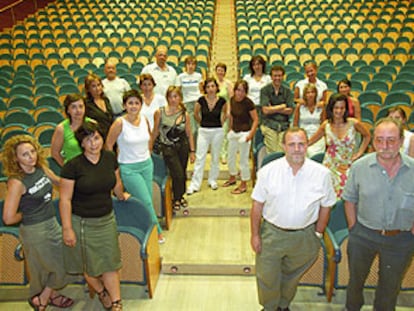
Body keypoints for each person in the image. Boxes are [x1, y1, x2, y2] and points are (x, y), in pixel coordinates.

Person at [250, 127, 336, 311]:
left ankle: (283, 305)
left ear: (307, 145)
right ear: (283, 146)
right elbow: (257, 205)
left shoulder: (322, 174)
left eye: (301, 144)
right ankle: (270, 307)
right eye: (292, 144)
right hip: (272, 234)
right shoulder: (268, 171)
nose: (297, 149)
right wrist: (255, 235)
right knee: (267, 276)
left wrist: (318, 233)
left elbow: (326, 205)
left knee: (292, 276)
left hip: (304, 236)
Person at [342, 118, 414, 311]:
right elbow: (349, 199)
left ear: (401, 141)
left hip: (401, 239)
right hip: (363, 235)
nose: (385, 146)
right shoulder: (359, 167)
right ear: (373, 141)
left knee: (390, 287)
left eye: (391, 140)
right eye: (379, 140)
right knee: (355, 281)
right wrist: (354, 228)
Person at [59, 121, 129, 311]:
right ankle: (101, 292)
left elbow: (116, 181)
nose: (93, 143)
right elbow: (65, 199)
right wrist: (67, 229)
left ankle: (116, 302)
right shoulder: (72, 166)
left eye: (96, 138)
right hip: (81, 223)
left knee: (110, 263)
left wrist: (122, 195)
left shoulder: (109, 157)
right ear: (81, 144)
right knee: (87, 266)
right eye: (88, 140)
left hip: (106, 219)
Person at [2, 135, 74, 311]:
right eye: (25, 154)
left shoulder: (40, 167)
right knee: (52, 265)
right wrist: (26, 213)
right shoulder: (17, 182)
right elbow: (8, 218)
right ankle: (43, 298)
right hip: (34, 229)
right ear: (15, 158)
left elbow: (57, 181)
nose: (31, 157)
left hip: (51, 222)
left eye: (32, 151)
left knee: (60, 261)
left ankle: (47, 296)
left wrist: (79, 181)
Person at [105, 89, 165, 243]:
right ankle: (156, 232)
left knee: (148, 200)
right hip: (129, 168)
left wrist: (148, 153)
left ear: (141, 105)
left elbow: (149, 138)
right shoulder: (119, 123)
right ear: (125, 105)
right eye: (130, 103)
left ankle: (145, 227)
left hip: (146, 164)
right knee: (145, 200)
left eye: (137, 103)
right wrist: (114, 167)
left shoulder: (144, 119)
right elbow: (108, 145)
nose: (133, 106)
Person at [309, 93, 371, 198]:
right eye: (336, 108)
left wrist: (359, 153)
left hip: (347, 165)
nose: (339, 111)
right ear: (331, 108)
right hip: (330, 166)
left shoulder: (353, 123)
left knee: (347, 197)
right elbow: (310, 142)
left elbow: (367, 136)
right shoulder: (326, 125)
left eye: (342, 108)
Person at [152, 86, 195, 211]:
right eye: (170, 96)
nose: (173, 99)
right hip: (168, 148)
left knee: (182, 172)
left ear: (180, 98)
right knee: (178, 174)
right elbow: (155, 132)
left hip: (183, 147)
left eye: (176, 96)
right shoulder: (160, 112)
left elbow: (189, 133)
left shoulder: (184, 114)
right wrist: (149, 147)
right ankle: (176, 198)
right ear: (167, 98)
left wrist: (192, 151)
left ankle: (180, 196)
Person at [186, 77, 227, 195]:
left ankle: (212, 179)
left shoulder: (222, 101)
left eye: (213, 86)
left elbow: (225, 114)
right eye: (208, 87)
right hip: (203, 131)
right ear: (205, 88)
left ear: (216, 87)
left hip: (217, 131)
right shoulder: (201, 100)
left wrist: (220, 124)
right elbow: (195, 114)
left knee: (215, 157)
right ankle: (195, 184)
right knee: (200, 158)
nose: (210, 89)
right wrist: (202, 124)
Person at [223, 80, 258, 194]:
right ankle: (232, 178)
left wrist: (251, 135)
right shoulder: (232, 100)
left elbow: (256, 120)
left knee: (243, 160)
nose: (240, 93)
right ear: (234, 91)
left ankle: (243, 184)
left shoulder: (248, 103)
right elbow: (232, 116)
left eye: (243, 91)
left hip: (245, 133)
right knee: (230, 158)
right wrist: (230, 129)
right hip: (234, 131)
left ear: (246, 92)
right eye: (238, 90)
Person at [51, 94, 94, 166]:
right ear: (68, 110)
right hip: (74, 170)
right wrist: (67, 168)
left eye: (81, 106)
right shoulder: (61, 128)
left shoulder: (93, 124)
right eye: (73, 107)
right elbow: (55, 153)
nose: (78, 110)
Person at [259, 65, 294, 153]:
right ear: (271, 77)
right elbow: (265, 110)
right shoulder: (264, 90)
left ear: (283, 76)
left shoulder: (288, 91)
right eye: (275, 76)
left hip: (284, 125)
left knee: (282, 151)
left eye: (279, 76)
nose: (277, 78)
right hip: (269, 124)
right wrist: (282, 106)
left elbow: (290, 111)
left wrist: (272, 108)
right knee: (273, 151)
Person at [292, 83, 326, 157]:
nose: (310, 95)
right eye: (308, 92)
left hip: (317, 136)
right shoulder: (299, 107)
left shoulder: (321, 107)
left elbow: (324, 125)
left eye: (312, 92)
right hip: (303, 136)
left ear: (316, 94)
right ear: (305, 94)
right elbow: (295, 125)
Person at [177, 56, 203, 141]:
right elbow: (178, 91)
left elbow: (201, 90)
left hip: (197, 103)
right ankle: (192, 149)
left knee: (199, 128)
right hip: (187, 104)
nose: (191, 66)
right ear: (185, 65)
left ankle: (197, 149)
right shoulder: (181, 77)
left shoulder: (198, 76)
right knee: (192, 129)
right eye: (189, 64)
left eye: (193, 64)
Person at [84, 73, 114, 139]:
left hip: (110, 136)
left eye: (99, 85)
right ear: (88, 89)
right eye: (93, 86)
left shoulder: (106, 100)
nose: (97, 88)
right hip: (96, 138)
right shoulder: (86, 103)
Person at [215, 62, 234, 164]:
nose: (220, 72)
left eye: (222, 70)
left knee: (224, 133)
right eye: (218, 70)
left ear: (225, 72)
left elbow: (231, 99)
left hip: (225, 111)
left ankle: (224, 154)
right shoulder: (213, 83)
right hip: (214, 112)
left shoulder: (229, 84)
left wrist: (229, 111)